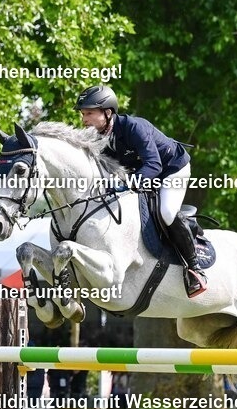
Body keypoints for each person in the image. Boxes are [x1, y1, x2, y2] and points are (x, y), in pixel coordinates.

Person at [75, 85, 207, 297]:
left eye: (89, 113)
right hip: (142, 172)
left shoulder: (134, 127)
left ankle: (195, 268)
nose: (84, 120)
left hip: (171, 169)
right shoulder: (97, 138)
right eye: (83, 114)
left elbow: (154, 164)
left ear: (107, 112)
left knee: (166, 212)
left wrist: (129, 183)